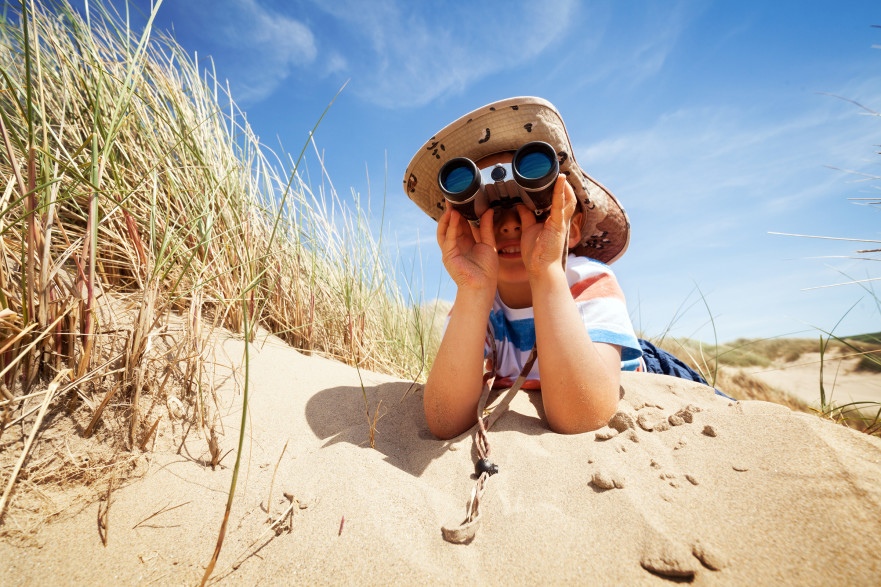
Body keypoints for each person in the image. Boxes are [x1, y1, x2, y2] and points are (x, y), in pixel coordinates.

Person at [403, 97, 709, 440]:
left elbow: (582, 416)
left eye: (530, 203)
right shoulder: (476, 306)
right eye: (485, 208)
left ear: (571, 227)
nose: (508, 224)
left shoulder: (588, 281)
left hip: (624, 362)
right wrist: (473, 290)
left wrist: (546, 270)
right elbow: (445, 421)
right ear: (462, 228)